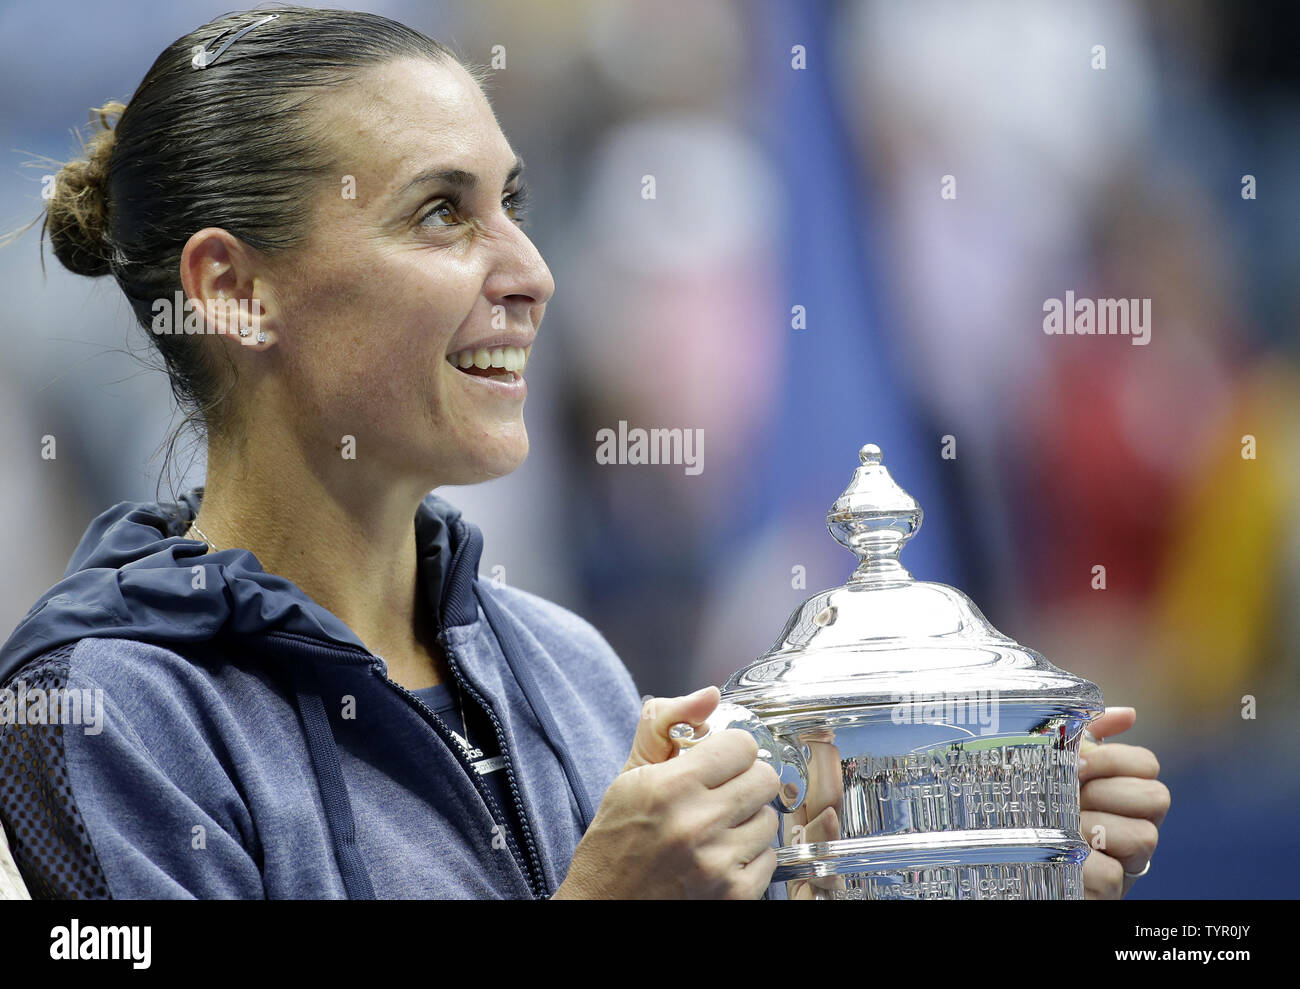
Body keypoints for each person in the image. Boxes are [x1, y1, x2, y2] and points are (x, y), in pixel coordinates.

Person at [0, 6, 1165, 900]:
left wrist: (981, 867)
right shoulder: (97, 716)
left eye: (512, 202)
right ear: (235, 291)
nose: (531, 271)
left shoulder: (569, 669)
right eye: (441, 214)